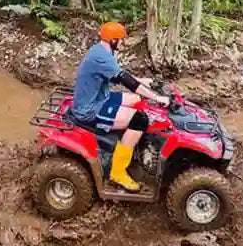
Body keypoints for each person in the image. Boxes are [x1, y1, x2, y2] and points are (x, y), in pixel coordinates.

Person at [70, 22, 170, 192]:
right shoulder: (102, 56)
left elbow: (118, 77)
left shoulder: (100, 50)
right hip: (89, 109)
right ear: (114, 40)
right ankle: (118, 171)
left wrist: (145, 82)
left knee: (136, 99)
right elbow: (127, 81)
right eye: (122, 40)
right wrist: (157, 97)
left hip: (99, 98)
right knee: (140, 119)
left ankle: (132, 142)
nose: (123, 43)